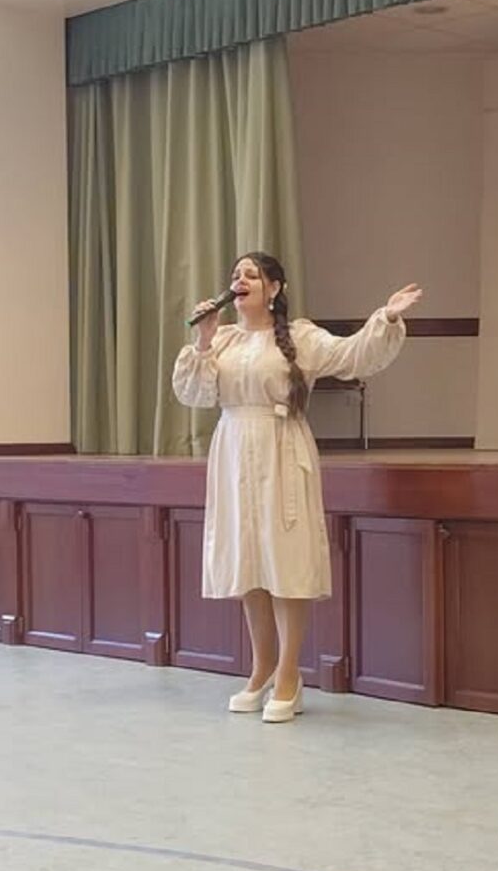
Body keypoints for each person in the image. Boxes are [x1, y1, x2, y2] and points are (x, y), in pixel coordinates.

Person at [172, 253, 422, 723]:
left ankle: (289, 673)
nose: (240, 280)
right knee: (247, 561)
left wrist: (385, 317)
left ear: (274, 288)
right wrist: (203, 339)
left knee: (284, 558)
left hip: (282, 449)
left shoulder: (301, 337)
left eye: (251, 274)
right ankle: (261, 666)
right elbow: (195, 394)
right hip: (233, 449)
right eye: (235, 275)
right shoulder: (223, 339)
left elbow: (352, 355)